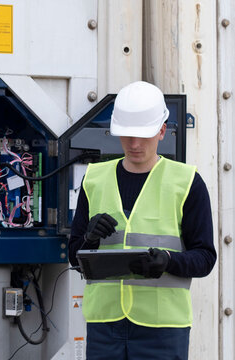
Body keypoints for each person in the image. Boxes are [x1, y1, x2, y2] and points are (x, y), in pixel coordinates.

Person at [68, 81, 216, 359]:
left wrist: (170, 262)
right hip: (104, 326)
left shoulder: (186, 182)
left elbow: (205, 257)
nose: (134, 145)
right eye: (127, 136)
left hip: (162, 329)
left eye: (143, 136)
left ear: (162, 130)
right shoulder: (95, 178)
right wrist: (89, 240)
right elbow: (73, 258)